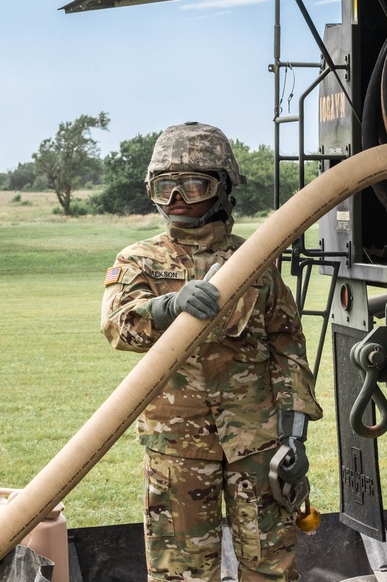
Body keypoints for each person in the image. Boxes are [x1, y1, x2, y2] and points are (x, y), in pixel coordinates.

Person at [101, 122, 322, 582]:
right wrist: (167, 307)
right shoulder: (139, 260)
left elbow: (287, 344)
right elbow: (118, 326)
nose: (178, 198)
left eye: (194, 184)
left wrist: (294, 431)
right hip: (177, 451)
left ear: (223, 190)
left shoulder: (257, 259)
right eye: (165, 187)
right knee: (181, 573)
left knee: (272, 568)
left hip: (257, 447)